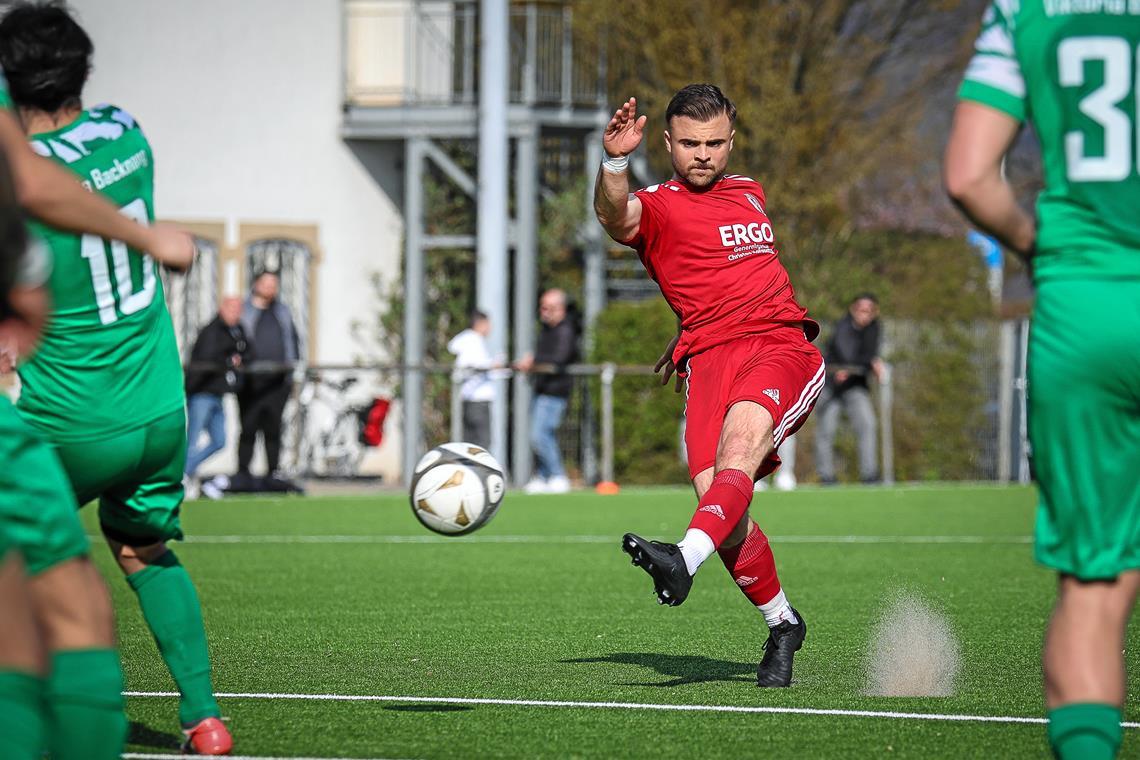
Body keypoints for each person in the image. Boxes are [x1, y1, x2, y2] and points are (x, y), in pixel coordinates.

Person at [0, 4, 232, 754]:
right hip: (159, 409)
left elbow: (35, 177)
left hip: (70, 415)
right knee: (144, 550)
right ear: (85, 72)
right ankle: (204, 719)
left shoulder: (20, 171)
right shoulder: (126, 131)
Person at [944, 4, 1140, 758]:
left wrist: (1038, 246)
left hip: (1083, 302)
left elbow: (967, 174)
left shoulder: (1027, 8)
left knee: (1093, 593)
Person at [595, 84, 824, 687]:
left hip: (779, 345)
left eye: (716, 142)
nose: (704, 154)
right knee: (719, 504)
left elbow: (733, 276)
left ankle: (679, 561)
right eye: (691, 143)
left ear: (731, 139)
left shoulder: (751, 191)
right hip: (709, 361)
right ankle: (782, 623)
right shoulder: (658, 205)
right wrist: (615, 161)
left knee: (739, 454)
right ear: (668, 143)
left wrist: (698, 321)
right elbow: (615, 216)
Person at [813, 293, 884, 485]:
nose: (865, 314)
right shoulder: (843, 326)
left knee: (867, 425)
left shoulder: (874, 328)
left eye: (870, 311)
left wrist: (868, 363)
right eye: (862, 309)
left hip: (854, 385)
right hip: (832, 384)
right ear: (853, 309)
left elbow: (868, 354)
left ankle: (869, 475)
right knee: (826, 429)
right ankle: (826, 476)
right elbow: (846, 355)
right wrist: (865, 364)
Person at [236, 270, 299, 485]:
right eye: (267, 284)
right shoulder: (244, 310)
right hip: (251, 383)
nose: (271, 288)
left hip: (277, 382)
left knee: (273, 429)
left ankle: (273, 473)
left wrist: (292, 372)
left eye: (274, 284)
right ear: (256, 284)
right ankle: (243, 473)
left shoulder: (282, 311)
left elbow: (293, 341)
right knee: (248, 428)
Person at [515, 288, 579, 494]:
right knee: (541, 434)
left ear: (560, 309)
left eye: (548, 308)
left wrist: (533, 362)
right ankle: (543, 476)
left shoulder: (565, 330)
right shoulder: (547, 330)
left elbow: (559, 357)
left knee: (540, 435)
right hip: (543, 389)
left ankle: (557, 474)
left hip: (555, 391)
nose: (543, 312)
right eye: (542, 307)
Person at [184, 296, 249, 490]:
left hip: (218, 394)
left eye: (238, 310)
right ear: (222, 309)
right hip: (201, 393)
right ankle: (181, 475)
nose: (235, 313)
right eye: (232, 309)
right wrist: (229, 361)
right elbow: (208, 358)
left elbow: (246, 350)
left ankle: (184, 470)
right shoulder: (211, 331)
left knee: (220, 441)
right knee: (192, 440)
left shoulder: (236, 332)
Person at [447, 309, 497, 449]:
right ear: (480, 324)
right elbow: (476, 364)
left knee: (469, 442)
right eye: (488, 324)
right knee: (481, 443)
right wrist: (493, 365)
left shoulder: (465, 340)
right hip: (478, 400)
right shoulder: (474, 341)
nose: (490, 328)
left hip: (468, 399)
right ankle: (478, 471)